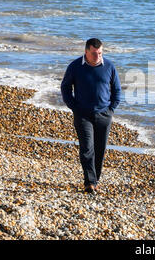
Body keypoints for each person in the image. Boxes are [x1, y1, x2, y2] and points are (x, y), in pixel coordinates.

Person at [61, 38, 121, 194]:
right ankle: (89, 183)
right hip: (83, 114)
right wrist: (74, 107)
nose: (98, 56)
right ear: (86, 52)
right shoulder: (75, 66)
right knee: (87, 148)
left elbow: (117, 90)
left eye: (100, 53)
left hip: (104, 114)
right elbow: (65, 87)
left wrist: (111, 109)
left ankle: (95, 180)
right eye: (94, 53)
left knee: (100, 149)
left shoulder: (109, 66)